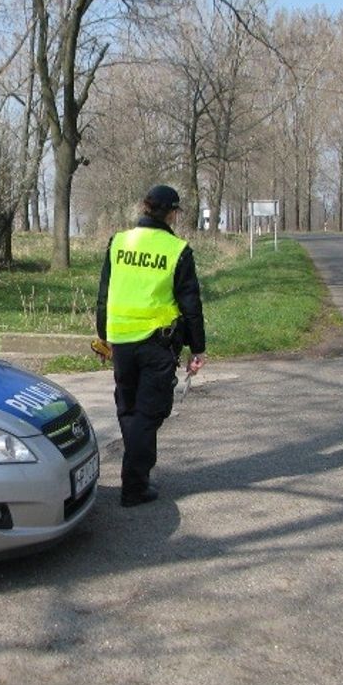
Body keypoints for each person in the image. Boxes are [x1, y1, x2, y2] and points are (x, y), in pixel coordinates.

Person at [95, 184, 206, 507]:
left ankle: (135, 473)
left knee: (129, 409)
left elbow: (104, 294)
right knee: (149, 413)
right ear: (172, 213)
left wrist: (104, 336)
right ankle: (134, 484)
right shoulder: (176, 249)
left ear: (145, 209)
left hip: (121, 341)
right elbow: (191, 303)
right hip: (158, 343)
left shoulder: (119, 242)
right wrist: (197, 349)